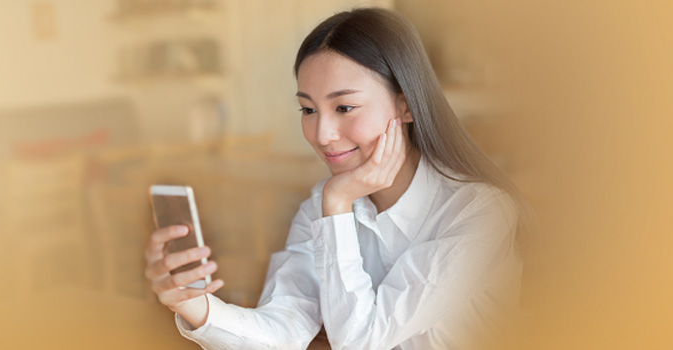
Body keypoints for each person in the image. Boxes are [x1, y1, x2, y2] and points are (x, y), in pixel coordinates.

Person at [143, 8, 525, 350]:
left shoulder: (479, 213)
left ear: (406, 105)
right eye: (308, 109)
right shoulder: (321, 207)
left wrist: (339, 204)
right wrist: (190, 304)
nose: (321, 133)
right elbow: (285, 330)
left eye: (344, 107)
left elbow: (359, 341)